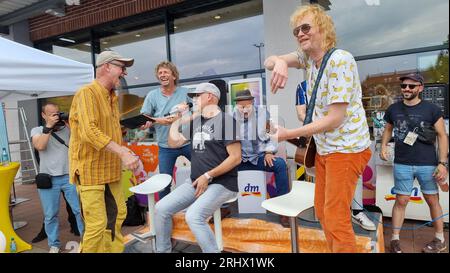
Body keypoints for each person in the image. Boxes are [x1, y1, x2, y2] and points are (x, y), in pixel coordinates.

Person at [264, 4, 372, 252]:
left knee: (335, 216)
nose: (300, 33)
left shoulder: (340, 60)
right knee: (324, 212)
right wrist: (280, 61)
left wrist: (288, 134)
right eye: (296, 31)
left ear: (322, 29)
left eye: (305, 28)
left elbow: (334, 119)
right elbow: (269, 61)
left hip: (346, 150)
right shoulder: (309, 60)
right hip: (326, 149)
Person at [155, 82, 241, 253]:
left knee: (193, 216)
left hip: (222, 183)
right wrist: (176, 122)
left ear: (209, 96)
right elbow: (174, 143)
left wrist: (208, 176)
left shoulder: (226, 120)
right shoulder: (197, 122)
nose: (193, 100)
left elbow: (236, 158)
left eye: (197, 96)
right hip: (196, 181)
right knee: (160, 209)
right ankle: (163, 251)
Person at [69, 50, 139, 253]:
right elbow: (90, 131)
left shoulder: (112, 97)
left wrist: (130, 127)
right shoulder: (87, 93)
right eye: (121, 68)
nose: (124, 73)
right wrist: (123, 152)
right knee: (97, 225)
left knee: (117, 216)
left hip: (110, 170)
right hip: (91, 171)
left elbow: (109, 130)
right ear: (107, 67)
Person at [380, 72, 448, 253]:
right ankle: (394, 240)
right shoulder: (393, 109)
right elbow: (388, 129)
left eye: (411, 86)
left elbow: (442, 136)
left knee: (432, 200)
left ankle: (440, 239)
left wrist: (442, 163)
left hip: (428, 163)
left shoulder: (432, 109)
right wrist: (383, 146)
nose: (407, 89)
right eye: (404, 86)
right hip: (402, 163)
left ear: (420, 88)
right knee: (401, 200)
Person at [30, 103, 84, 253]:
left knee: (79, 211)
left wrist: (70, 123)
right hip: (48, 180)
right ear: (43, 115)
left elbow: (82, 141)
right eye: (52, 114)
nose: (56, 116)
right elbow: (40, 146)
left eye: (57, 113)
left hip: (70, 177)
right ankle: (54, 244)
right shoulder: (38, 130)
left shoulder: (67, 129)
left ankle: (86, 241)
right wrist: (48, 127)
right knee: (50, 215)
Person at [233, 89, 290, 227]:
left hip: (258, 158)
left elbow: (271, 135)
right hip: (239, 160)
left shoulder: (263, 115)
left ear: (253, 103)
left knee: (280, 165)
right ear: (237, 106)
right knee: (220, 170)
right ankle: (223, 209)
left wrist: (269, 152)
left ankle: (283, 210)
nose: (244, 110)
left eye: (247, 106)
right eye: (241, 107)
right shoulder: (231, 117)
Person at [140, 61, 191, 199]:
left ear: (174, 76)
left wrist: (185, 115)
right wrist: (157, 121)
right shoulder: (152, 95)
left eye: (166, 72)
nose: (162, 75)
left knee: (204, 173)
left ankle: (208, 208)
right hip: (165, 146)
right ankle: (164, 215)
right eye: (160, 73)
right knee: (164, 184)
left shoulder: (185, 92)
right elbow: (144, 117)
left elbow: (197, 109)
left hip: (188, 142)